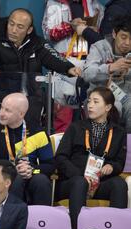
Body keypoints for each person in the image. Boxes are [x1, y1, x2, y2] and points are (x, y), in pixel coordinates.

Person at [0, 8, 82, 126]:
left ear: (29, 30)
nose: (13, 30)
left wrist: (68, 68)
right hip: (2, 97)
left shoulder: (37, 43)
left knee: (34, 120)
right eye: (11, 24)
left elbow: (52, 56)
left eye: (20, 27)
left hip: (31, 97)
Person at [55, 87, 128, 229]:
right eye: (89, 102)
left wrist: (111, 167)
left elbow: (119, 163)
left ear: (108, 107)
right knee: (81, 183)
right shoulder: (76, 127)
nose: (90, 106)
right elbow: (61, 157)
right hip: (72, 181)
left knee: (119, 184)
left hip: (99, 182)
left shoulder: (119, 132)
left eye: (96, 102)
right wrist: (80, 175)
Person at [0, 93, 54, 206]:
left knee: (41, 181)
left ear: (21, 114)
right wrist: (11, 169)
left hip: (30, 175)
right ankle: (10, 220)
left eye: (7, 110)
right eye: (1, 108)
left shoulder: (37, 131)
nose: (1, 113)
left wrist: (32, 169)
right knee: (16, 180)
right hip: (4, 176)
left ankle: (40, 221)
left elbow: (50, 166)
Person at [42, 0, 104, 133]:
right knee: (63, 115)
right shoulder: (55, 4)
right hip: (65, 64)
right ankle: (60, 148)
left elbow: (102, 39)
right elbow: (49, 34)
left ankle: (86, 149)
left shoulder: (94, 5)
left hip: (89, 64)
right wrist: (70, 26)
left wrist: (92, 31)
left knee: (90, 113)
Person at [83, 16, 131, 132]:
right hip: (100, 97)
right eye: (123, 37)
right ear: (114, 34)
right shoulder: (100, 47)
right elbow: (86, 73)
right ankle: (108, 146)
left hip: (127, 97)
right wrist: (110, 67)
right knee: (114, 107)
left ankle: (129, 147)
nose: (127, 43)